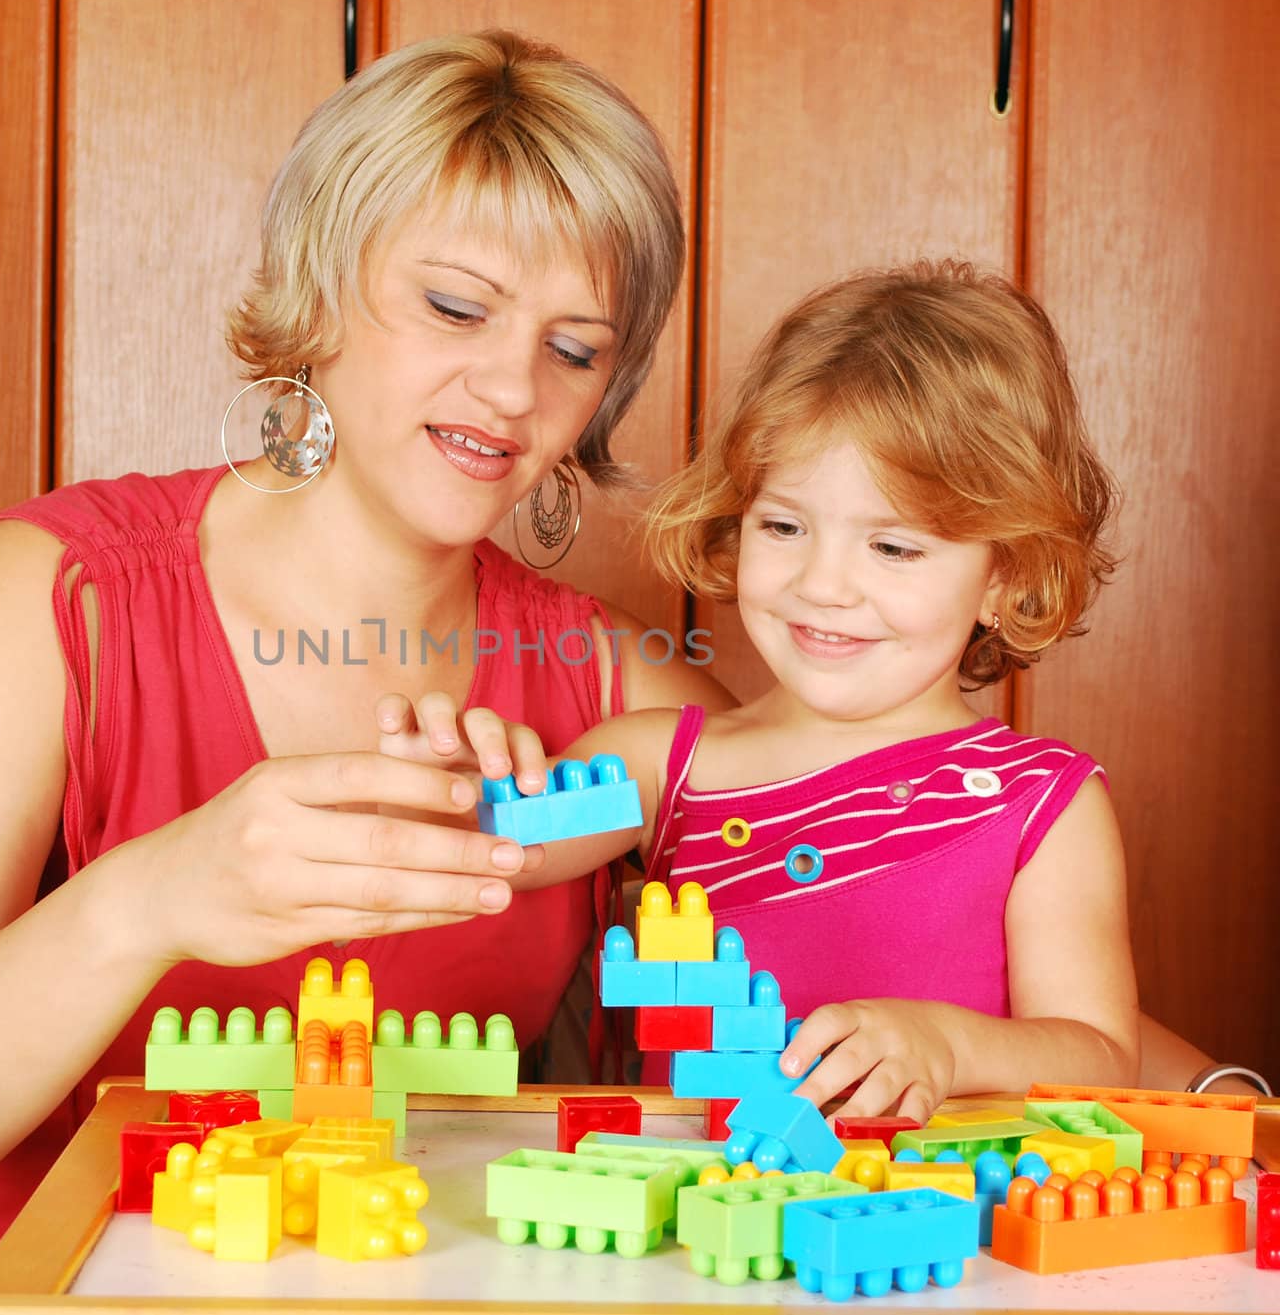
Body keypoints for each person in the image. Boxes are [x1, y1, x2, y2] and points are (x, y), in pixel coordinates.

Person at [0, 30, 732, 1312]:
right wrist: (151, 896)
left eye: (574, 349)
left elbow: (892, 825)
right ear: (319, 288)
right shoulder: (60, 598)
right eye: (455, 306)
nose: (510, 387)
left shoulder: (620, 691)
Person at [380, 260, 1141, 1124]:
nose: (824, 584)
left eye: (893, 547)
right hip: (686, 1235)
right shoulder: (661, 764)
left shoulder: (1043, 801)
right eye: (784, 526)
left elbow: (1101, 1052)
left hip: (940, 1236)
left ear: (1005, 577)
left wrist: (949, 1045)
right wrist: (451, 789)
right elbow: (508, 848)